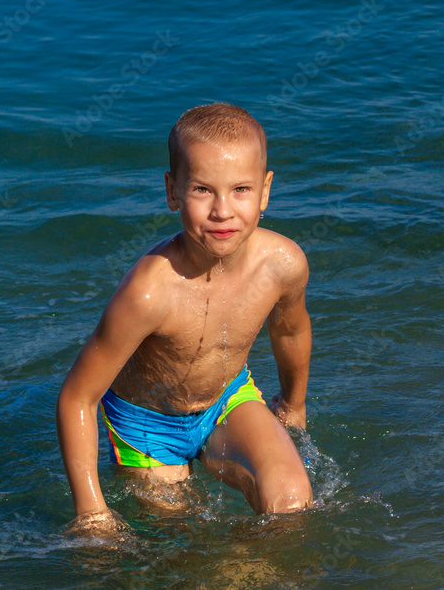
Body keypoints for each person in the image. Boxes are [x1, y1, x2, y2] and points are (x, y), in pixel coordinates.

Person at [56, 102, 313, 533]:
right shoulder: (150, 291)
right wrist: (92, 511)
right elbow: (77, 398)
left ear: (266, 191)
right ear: (173, 191)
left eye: (241, 190)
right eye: (202, 190)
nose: (222, 211)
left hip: (226, 400)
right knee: (181, 546)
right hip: (147, 427)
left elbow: (289, 328)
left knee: (291, 499)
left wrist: (293, 402)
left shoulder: (282, 264)